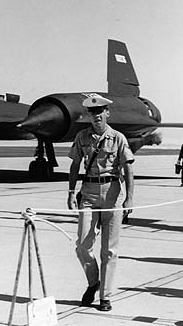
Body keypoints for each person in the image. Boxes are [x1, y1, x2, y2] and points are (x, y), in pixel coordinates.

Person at [67, 94, 135, 313]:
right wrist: (70, 191)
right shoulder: (82, 136)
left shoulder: (118, 138)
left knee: (109, 251)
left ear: (107, 113)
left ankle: (105, 296)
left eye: (100, 112)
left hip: (112, 193)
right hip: (88, 193)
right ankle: (93, 282)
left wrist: (130, 197)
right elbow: (75, 164)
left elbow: (128, 169)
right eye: (92, 113)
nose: (96, 116)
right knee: (82, 246)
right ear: (89, 115)